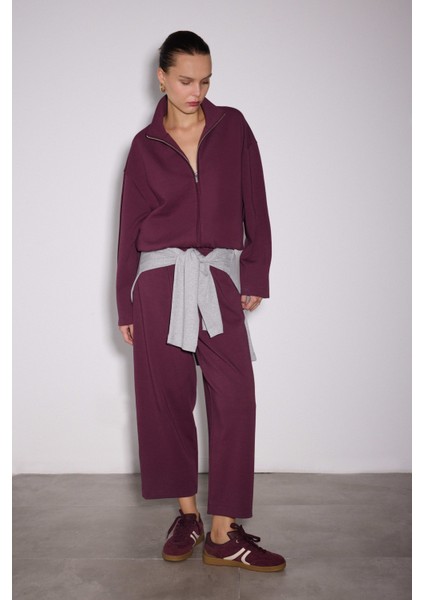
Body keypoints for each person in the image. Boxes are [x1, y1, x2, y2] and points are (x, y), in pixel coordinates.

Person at [116, 31, 285, 573]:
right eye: (186, 80)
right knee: (166, 403)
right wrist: (124, 303)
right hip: (159, 284)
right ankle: (187, 514)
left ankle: (223, 533)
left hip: (216, 277)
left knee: (236, 399)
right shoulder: (144, 147)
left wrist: (255, 270)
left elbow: (255, 202)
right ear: (161, 78)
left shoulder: (233, 127)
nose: (196, 91)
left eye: (206, 81)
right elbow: (129, 229)